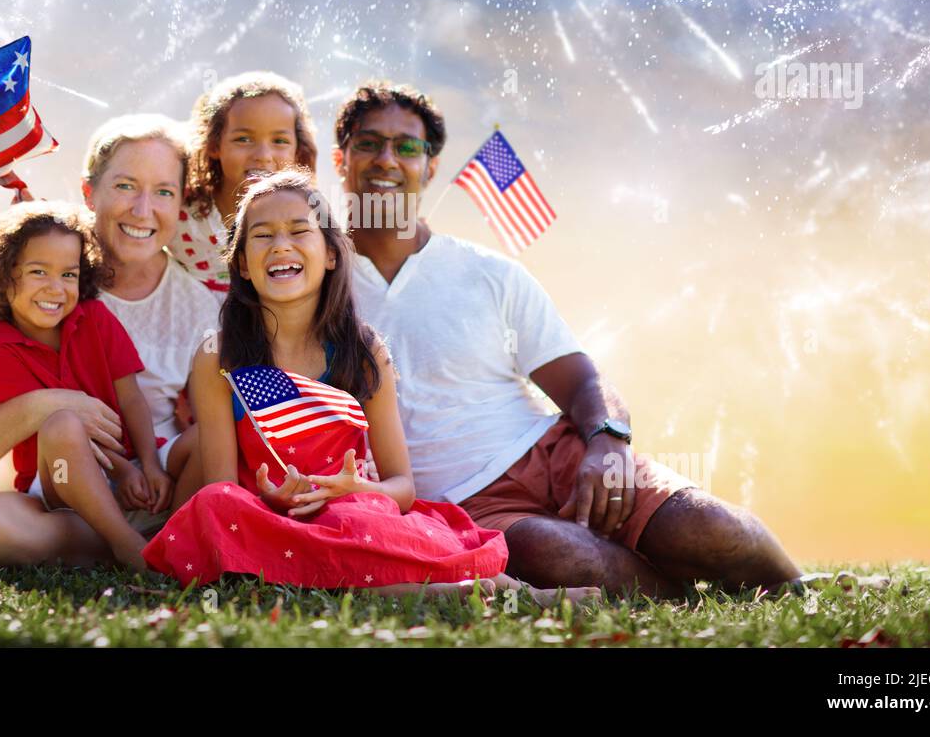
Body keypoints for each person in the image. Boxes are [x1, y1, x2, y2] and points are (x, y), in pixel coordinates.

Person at [332, 81, 803, 599]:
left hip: (554, 454)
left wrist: (607, 442)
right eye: (369, 143)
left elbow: (581, 378)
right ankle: (686, 601)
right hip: (459, 504)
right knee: (554, 553)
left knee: (709, 529)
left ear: (431, 166)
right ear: (341, 159)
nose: (387, 160)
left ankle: (800, 587)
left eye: (407, 147)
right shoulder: (318, 281)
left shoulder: (488, 272)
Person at [144, 169, 597, 604]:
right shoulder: (218, 356)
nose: (281, 245)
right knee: (215, 506)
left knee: (359, 521)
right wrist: (269, 497)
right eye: (262, 236)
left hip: (350, 513)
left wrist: (355, 489)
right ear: (242, 263)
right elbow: (223, 485)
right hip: (265, 520)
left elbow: (402, 485)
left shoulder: (363, 352)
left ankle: (505, 590)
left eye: (300, 231)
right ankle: (436, 591)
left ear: (332, 254)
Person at [0, 114, 220, 570]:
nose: (143, 209)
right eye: (126, 186)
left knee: (217, 438)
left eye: (164, 192)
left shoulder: (198, 305)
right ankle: (132, 547)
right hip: (52, 495)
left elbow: (206, 433)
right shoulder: (17, 288)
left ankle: (143, 540)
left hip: (150, 493)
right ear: (89, 192)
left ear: (181, 203)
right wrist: (48, 405)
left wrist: (148, 467)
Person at [0, 200, 170, 573]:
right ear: (3, 276)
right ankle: (128, 546)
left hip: (127, 468)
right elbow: (58, 436)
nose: (55, 288)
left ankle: (181, 532)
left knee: (199, 441)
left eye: (68, 275)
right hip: (60, 481)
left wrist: (148, 464)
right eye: (37, 272)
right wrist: (122, 472)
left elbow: (131, 398)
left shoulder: (94, 318)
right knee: (62, 423)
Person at [171, 71, 317, 293]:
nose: (263, 155)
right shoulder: (180, 214)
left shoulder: (308, 219)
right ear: (214, 145)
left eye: (279, 141)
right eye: (244, 139)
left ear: (298, 150)